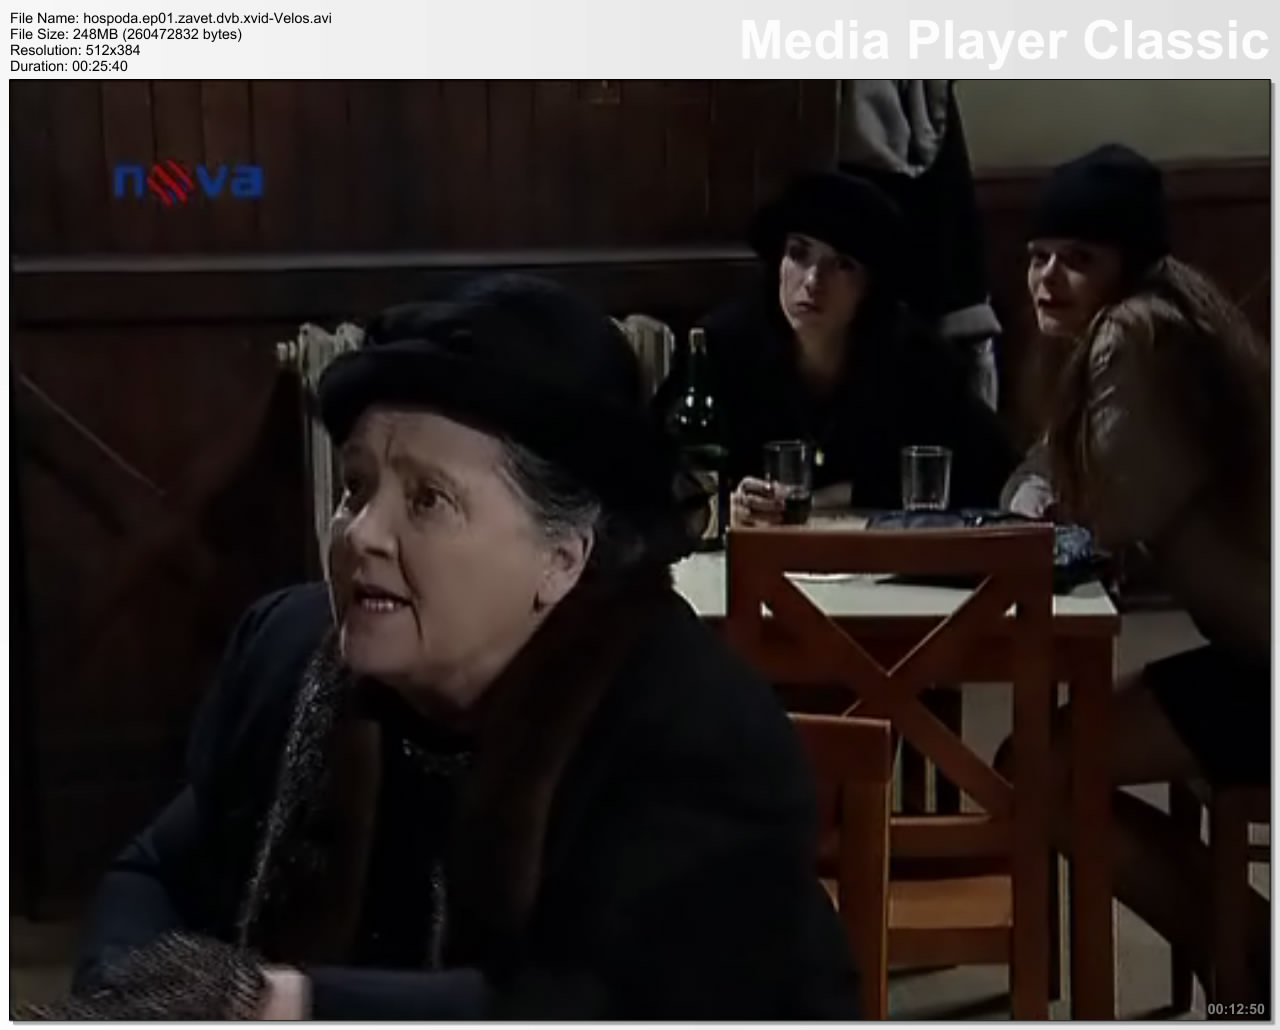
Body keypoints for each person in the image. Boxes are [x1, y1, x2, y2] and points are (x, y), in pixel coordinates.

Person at [63, 276, 860, 1019]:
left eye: (427, 499)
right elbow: (155, 871)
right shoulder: (287, 654)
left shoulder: (693, 731)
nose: (361, 534)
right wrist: (129, 995)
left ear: (563, 557)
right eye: (356, 487)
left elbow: (611, 1007)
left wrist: (290, 1005)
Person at [999, 144, 1271, 990]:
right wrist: (1039, 499)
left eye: (1077, 259)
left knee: (1034, 768)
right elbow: (1044, 477)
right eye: (1038, 255)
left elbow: (1094, 517)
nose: (1047, 279)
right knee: (1038, 760)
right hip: (1250, 653)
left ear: (1126, 265)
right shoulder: (1159, 315)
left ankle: (1250, 959)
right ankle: (1248, 946)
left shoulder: (1137, 336)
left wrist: (1041, 507)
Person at [684, 170, 1019, 527]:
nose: (813, 281)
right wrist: (724, 507)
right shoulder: (721, 347)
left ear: (870, 287)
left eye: (842, 265)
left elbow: (986, 471)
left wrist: (849, 494)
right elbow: (669, 474)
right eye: (798, 253)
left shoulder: (918, 361)